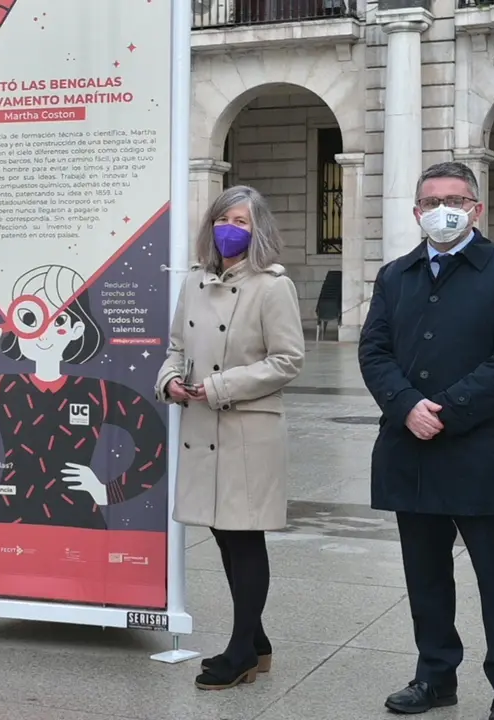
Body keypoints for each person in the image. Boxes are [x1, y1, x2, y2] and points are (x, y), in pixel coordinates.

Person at [359, 162, 494, 720]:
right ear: (416, 212)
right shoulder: (395, 275)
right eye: (432, 200)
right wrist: (407, 405)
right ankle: (435, 676)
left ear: (476, 209)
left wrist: (447, 411)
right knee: (425, 574)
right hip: (409, 450)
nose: (444, 208)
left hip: (479, 452)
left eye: (456, 198)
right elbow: (374, 351)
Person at [154, 185, 305, 691]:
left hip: (247, 428)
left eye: (242, 221)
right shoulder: (195, 281)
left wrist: (218, 386)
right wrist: (170, 380)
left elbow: (287, 360)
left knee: (244, 536)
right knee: (222, 532)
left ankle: (241, 649)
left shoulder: (271, 286)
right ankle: (257, 640)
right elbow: (176, 344)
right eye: (224, 218)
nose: (231, 229)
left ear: (258, 229)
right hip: (201, 424)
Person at [0, 264, 167, 530]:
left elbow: (153, 443)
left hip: (80, 520)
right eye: (32, 319)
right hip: (11, 517)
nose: (45, 331)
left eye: (59, 320)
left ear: (77, 329)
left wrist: (107, 491)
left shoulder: (100, 393)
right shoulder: (3, 387)